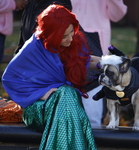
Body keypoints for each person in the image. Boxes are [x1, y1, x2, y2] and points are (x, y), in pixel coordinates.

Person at [2, 4, 99, 149]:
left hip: (65, 105)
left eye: (72, 32)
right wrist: (41, 94)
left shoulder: (74, 42)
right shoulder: (32, 48)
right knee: (67, 93)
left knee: (67, 93)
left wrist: (114, 63)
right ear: (50, 35)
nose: (70, 38)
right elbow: (9, 79)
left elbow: (84, 59)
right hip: (37, 108)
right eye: (64, 36)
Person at [71, 0, 127, 127]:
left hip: (96, 51)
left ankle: (91, 142)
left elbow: (117, 15)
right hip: (68, 47)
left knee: (93, 116)